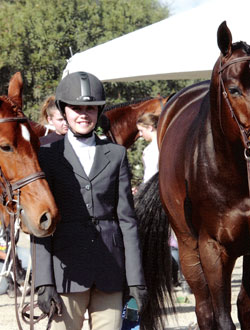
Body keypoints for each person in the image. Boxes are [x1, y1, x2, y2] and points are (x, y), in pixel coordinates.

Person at [33, 71, 147, 330]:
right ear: (64, 110)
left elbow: (127, 221)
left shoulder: (116, 154)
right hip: (66, 272)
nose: (84, 114)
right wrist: (44, 281)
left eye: (91, 108)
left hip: (110, 270)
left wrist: (136, 281)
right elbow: (42, 224)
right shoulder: (48, 155)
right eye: (76, 108)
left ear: (99, 111)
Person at [136, 113, 181, 287]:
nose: (140, 135)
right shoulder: (164, 146)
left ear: (150, 127)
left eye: (141, 131)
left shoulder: (154, 149)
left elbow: (151, 177)